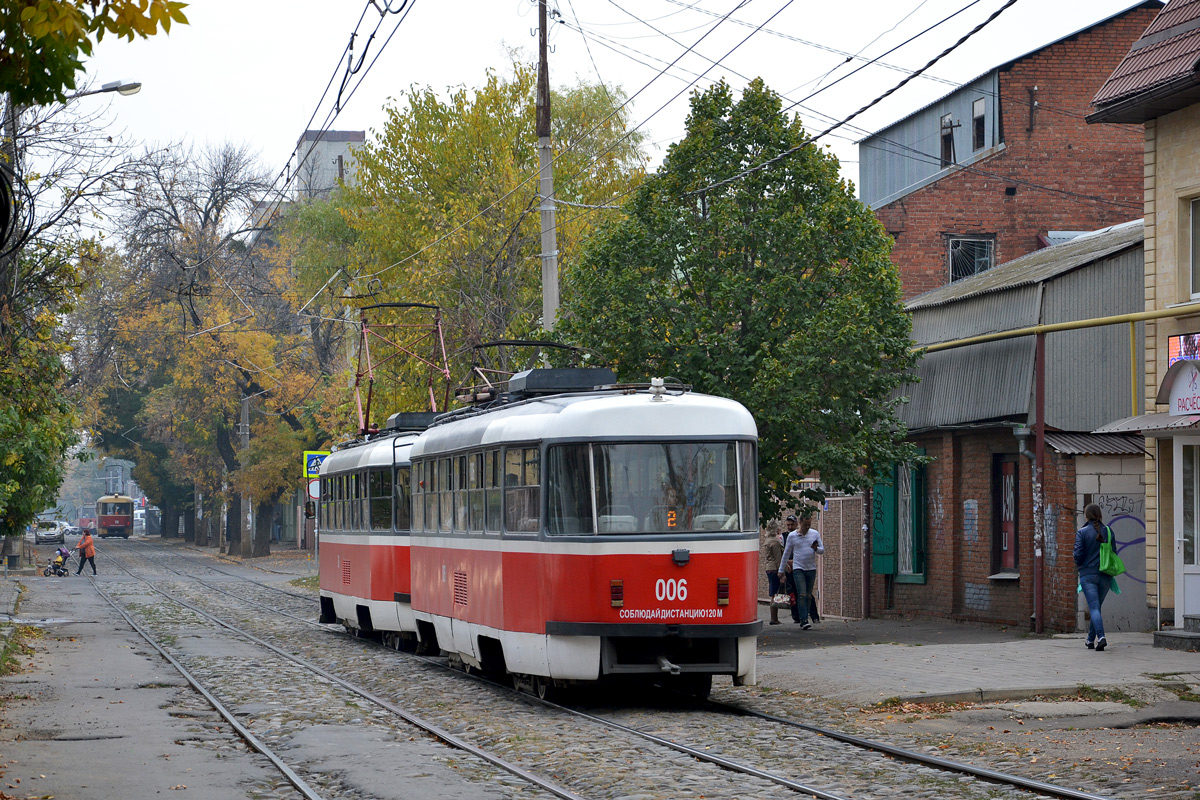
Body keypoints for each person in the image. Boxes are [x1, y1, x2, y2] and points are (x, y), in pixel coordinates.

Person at [1074, 503, 1112, 652]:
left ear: (1086, 516)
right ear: (1100, 515)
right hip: (1105, 576)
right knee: (1096, 608)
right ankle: (1090, 640)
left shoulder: (1082, 533)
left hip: (1088, 575)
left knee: (1094, 608)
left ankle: (1101, 637)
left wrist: (1081, 565)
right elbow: (1113, 552)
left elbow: (1077, 555)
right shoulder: (1109, 531)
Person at [778, 513, 824, 629]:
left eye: (809, 525)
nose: (807, 527)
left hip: (811, 568)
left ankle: (806, 616)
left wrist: (816, 548)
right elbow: (786, 553)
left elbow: (822, 550)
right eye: (805, 525)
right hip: (798, 568)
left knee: (808, 595)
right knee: (802, 594)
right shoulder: (792, 536)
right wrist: (781, 570)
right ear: (800, 524)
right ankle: (803, 620)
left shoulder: (814, 534)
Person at [762, 523, 785, 625]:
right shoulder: (775, 542)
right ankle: (774, 618)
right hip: (775, 569)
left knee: (774, 592)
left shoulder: (767, 541)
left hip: (769, 568)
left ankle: (774, 617)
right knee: (775, 594)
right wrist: (782, 572)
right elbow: (778, 558)